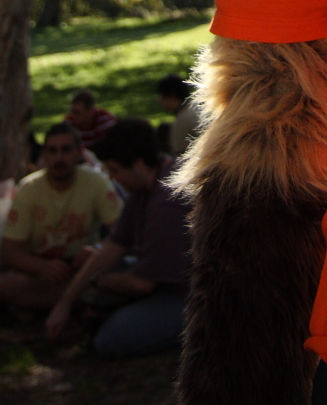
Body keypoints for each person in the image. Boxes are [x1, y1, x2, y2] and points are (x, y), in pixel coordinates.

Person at [46, 118, 191, 357]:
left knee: (110, 339)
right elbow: (113, 246)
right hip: (161, 279)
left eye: (115, 170)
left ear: (138, 165)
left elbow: (143, 283)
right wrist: (65, 302)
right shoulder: (144, 187)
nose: (113, 179)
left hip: (190, 295)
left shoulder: (166, 203)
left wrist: (100, 282)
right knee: (98, 263)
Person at [0, 122, 121, 311]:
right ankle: (80, 302)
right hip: (40, 270)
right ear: (44, 155)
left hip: (84, 267)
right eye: (52, 151)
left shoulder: (96, 182)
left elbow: (122, 233)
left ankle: (63, 302)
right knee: (7, 284)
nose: (59, 158)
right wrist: (42, 267)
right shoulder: (29, 188)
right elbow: (10, 251)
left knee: (117, 275)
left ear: (79, 152)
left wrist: (96, 249)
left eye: (66, 150)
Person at [156, 74, 201, 155]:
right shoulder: (196, 107)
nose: (159, 101)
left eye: (162, 97)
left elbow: (179, 153)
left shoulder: (182, 119)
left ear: (172, 97)